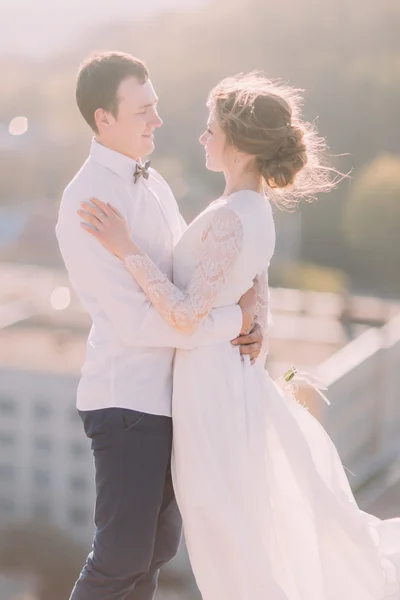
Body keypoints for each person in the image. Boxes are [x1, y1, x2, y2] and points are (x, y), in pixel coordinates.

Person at [79, 72, 400, 600]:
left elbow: (184, 315)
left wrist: (124, 247)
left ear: (241, 143)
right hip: (218, 378)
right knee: (229, 529)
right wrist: (252, 322)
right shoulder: (250, 210)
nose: (202, 138)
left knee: (225, 531)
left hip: (209, 391)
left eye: (210, 129)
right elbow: (255, 289)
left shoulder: (233, 215)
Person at [56, 52, 264, 600]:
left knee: (152, 554)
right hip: (126, 400)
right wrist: (232, 321)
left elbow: (182, 287)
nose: (159, 120)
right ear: (105, 119)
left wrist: (251, 314)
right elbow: (139, 321)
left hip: (173, 399)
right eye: (144, 109)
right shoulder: (86, 202)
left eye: (157, 106)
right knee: (120, 554)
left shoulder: (155, 185)